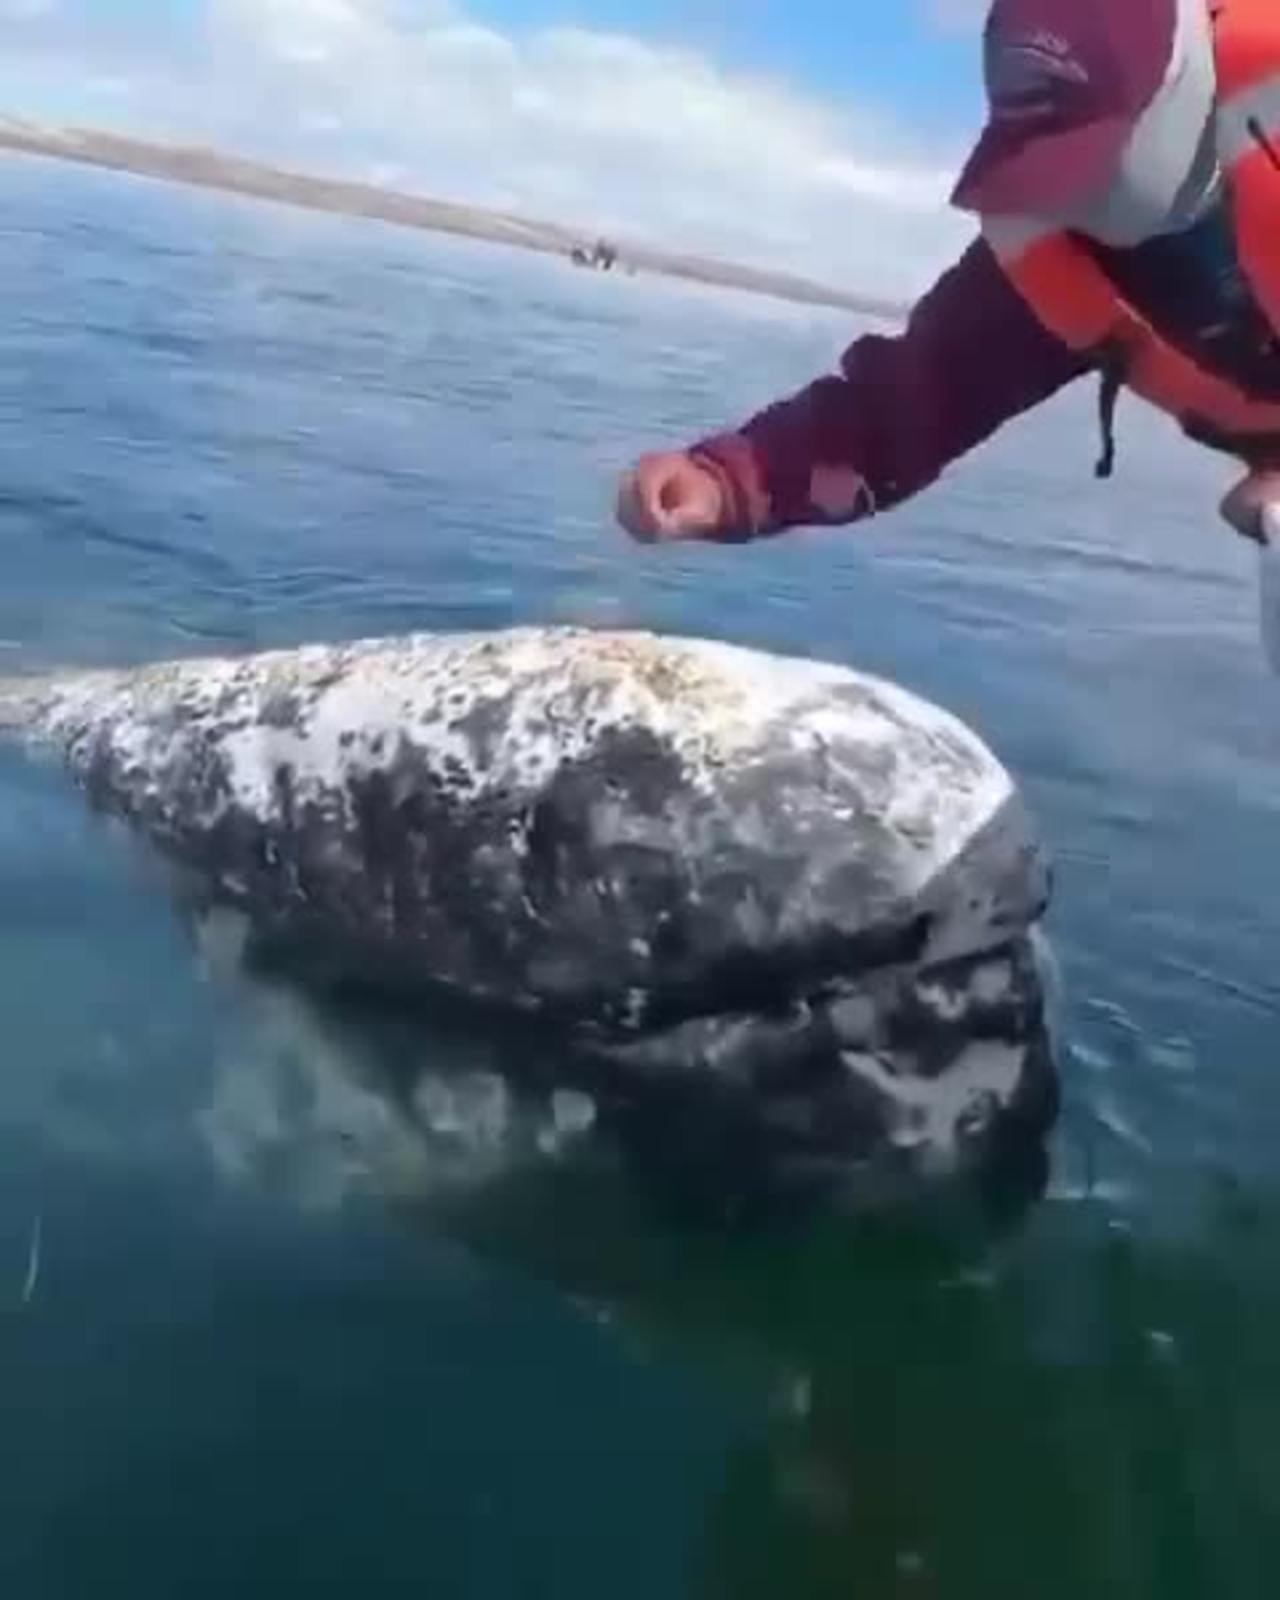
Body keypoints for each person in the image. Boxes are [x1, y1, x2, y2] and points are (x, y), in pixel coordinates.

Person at [616, 0, 1280, 553]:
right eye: (1051, 166)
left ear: (1189, 100)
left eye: (1097, 162)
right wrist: (724, 482)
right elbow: (915, 397)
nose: (1070, 201)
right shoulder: (1060, 244)